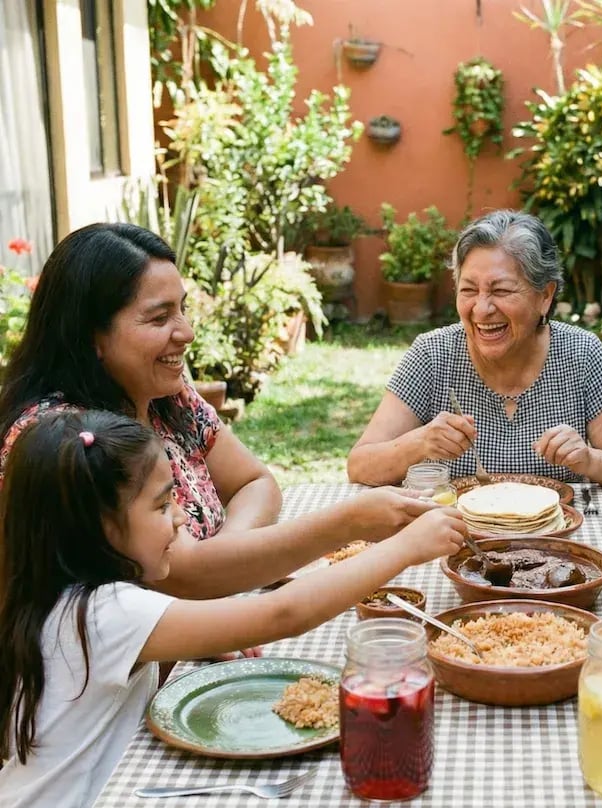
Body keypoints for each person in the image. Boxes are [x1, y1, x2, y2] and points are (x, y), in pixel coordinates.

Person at [0, 410, 467, 808]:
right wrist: (404, 549)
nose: (181, 518)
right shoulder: (105, 613)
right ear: (100, 527)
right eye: (161, 506)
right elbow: (282, 613)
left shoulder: (54, 596)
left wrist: (189, 642)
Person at [0, 223, 436, 599]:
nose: (187, 332)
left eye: (183, 309)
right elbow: (183, 574)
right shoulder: (62, 438)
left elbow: (256, 482)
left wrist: (227, 556)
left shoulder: (168, 397)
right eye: (160, 318)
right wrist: (347, 522)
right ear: (91, 337)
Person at [347, 210, 602, 487]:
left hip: (557, 522)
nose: (481, 309)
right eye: (469, 290)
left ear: (545, 296)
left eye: (501, 291)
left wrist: (590, 460)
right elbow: (360, 466)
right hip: (453, 522)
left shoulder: (581, 353)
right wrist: (418, 443)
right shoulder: (432, 354)